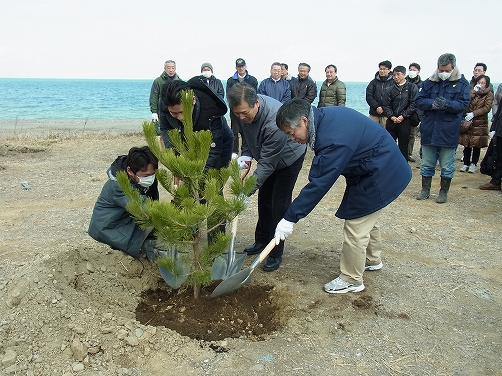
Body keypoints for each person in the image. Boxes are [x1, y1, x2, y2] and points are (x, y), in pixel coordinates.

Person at [274, 99, 411, 293]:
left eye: (291, 133)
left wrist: (290, 218)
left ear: (304, 121)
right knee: (367, 216)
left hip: (382, 172)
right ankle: (372, 260)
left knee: (356, 225)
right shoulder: (323, 118)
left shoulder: (333, 139)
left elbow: (319, 183)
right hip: (376, 166)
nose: (292, 138)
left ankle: (351, 279)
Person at [226, 83, 306, 272]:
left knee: (279, 202)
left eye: (245, 112)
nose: (241, 117)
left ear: (256, 103)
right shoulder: (240, 112)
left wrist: (246, 192)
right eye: (237, 113)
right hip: (266, 155)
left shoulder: (274, 121)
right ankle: (261, 241)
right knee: (264, 199)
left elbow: (268, 164)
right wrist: (246, 153)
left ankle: (275, 252)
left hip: (288, 157)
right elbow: (245, 135)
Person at [415, 53, 470, 204]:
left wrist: (447, 104)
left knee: (447, 165)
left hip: (448, 131)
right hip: (429, 130)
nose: (443, 73)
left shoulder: (462, 84)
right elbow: (418, 100)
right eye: (441, 69)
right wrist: (432, 104)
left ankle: (443, 192)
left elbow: (464, 104)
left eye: (446, 70)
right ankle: (425, 190)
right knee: (426, 163)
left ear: (453, 68)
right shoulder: (429, 82)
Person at [88, 146, 159, 259]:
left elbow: (153, 203)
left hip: (126, 218)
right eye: (146, 176)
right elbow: (145, 210)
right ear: (130, 171)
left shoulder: (144, 179)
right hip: (109, 226)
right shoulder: (120, 185)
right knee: (146, 247)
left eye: (152, 174)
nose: (150, 178)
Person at [158, 77, 233, 172]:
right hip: (189, 144)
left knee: (213, 180)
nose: (181, 117)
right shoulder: (166, 103)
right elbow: (166, 128)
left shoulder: (211, 109)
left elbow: (214, 150)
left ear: (193, 100)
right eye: (174, 113)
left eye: (183, 111)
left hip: (220, 144)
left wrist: (201, 177)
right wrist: (174, 156)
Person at [382, 66, 418, 162]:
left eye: (398, 74)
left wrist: (403, 116)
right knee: (389, 144)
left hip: (405, 120)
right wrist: (392, 116)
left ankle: (403, 164)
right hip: (391, 120)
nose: (396, 77)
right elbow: (386, 105)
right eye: (394, 75)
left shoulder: (412, 87)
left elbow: (414, 104)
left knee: (403, 145)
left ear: (404, 75)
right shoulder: (389, 89)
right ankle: (389, 163)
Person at [459, 75, 494, 173]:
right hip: (469, 122)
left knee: (476, 144)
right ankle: (465, 163)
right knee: (467, 143)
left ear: (486, 84)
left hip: (480, 122)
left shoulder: (489, 94)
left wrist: (474, 113)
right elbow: (466, 101)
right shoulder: (472, 92)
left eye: (483, 83)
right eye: (479, 82)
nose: (481, 85)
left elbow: (487, 108)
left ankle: (473, 164)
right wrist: (473, 91)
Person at [226, 58, 259, 159]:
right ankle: (234, 151)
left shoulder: (252, 80)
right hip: (235, 111)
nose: (241, 68)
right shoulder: (231, 80)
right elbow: (228, 96)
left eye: (242, 66)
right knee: (234, 131)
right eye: (239, 66)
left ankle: (246, 151)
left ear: (246, 66)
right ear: (236, 67)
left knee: (246, 130)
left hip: (247, 110)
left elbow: (254, 95)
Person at [479, 98, 502, 190]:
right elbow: (499, 111)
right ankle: (495, 181)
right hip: (500, 130)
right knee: (498, 156)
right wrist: (493, 128)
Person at [366, 60, 394, 127]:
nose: (382, 71)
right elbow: (369, 96)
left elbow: (394, 98)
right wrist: (377, 107)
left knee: (387, 133)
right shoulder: (373, 82)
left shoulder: (393, 83)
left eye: (384, 69)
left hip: (387, 114)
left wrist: (384, 108)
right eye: (380, 69)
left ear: (389, 70)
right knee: (371, 131)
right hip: (374, 113)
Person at [406, 62, 423, 162]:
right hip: (403, 113)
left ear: (418, 71)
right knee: (402, 134)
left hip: (415, 114)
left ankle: (408, 153)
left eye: (414, 70)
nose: (412, 71)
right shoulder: (404, 81)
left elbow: (421, 101)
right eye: (411, 69)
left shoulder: (422, 84)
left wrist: (418, 115)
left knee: (412, 135)